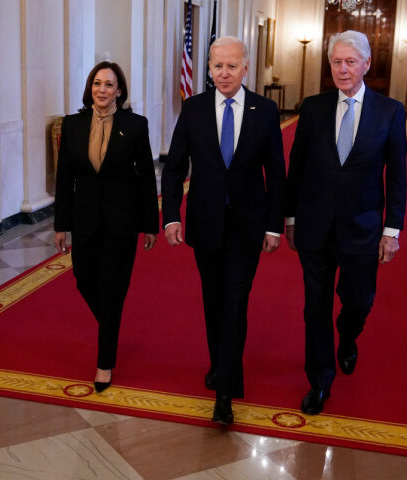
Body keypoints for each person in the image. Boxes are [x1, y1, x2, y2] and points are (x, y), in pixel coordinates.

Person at [161, 36, 286, 425]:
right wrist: (171, 216)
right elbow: (175, 167)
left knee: (235, 301)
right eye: (217, 66)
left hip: (248, 225)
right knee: (213, 301)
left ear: (245, 68)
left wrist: (274, 226)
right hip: (205, 223)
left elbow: (277, 174)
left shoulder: (265, 110)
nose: (224, 73)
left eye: (232, 66)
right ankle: (221, 364)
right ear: (209, 69)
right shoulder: (194, 108)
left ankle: (225, 393)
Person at [285, 30, 407, 415]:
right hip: (315, 225)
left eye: (350, 62)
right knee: (314, 306)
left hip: (364, 227)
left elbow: (398, 176)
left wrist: (392, 229)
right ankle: (320, 380)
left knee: (359, 300)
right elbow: (297, 167)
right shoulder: (314, 107)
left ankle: (348, 335)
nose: (342, 69)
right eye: (336, 61)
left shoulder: (389, 111)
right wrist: (289, 217)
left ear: (367, 64)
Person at [54, 61, 159, 393]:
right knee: (84, 279)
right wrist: (61, 223)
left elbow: (145, 177)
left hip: (121, 221)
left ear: (120, 91)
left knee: (113, 289)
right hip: (84, 218)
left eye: (109, 84)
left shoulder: (135, 125)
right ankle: (110, 325)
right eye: (97, 83)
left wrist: (150, 224)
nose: (102, 90)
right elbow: (64, 178)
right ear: (90, 88)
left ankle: (104, 363)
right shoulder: (71, 125)